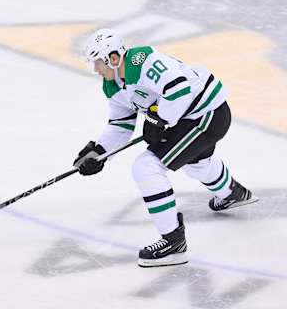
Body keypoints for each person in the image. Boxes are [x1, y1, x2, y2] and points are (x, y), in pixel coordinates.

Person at [73, 28, 259, 268]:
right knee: (197, 165)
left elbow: (178, 89)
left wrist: (160, 119)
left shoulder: (142, 61)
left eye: (98, 62)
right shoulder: (112, 86)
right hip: (192, 117)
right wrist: (99, 152)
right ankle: (232, 193)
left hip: (206, 114)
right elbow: (121, 124)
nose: (96, 69)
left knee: (146, 167)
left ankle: (173, 243)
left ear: (114, 58)